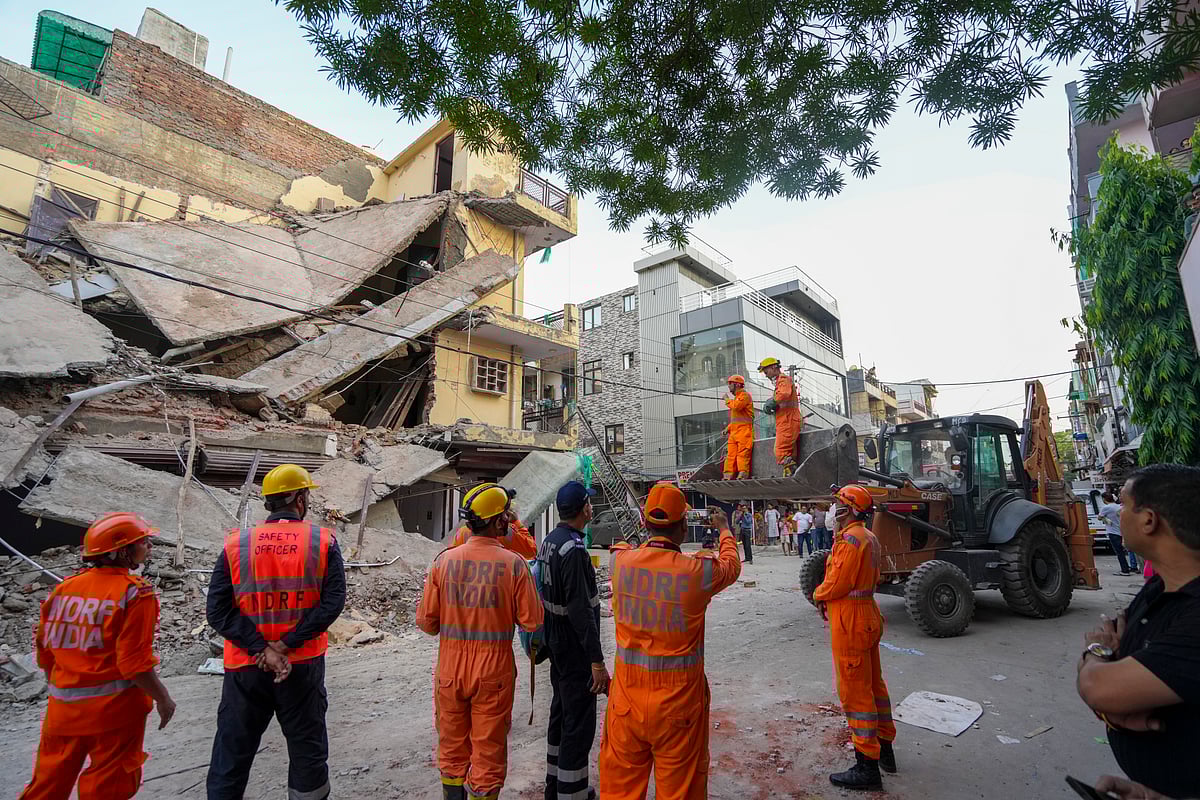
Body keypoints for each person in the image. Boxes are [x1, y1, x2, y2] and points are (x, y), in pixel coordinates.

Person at [206, 463, 345, 800]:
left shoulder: (237, 544)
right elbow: (332, 603)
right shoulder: (321, 541)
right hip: (302, 666)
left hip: (244, 668)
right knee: (307, 753)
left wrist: (259, 648)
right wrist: (283, 645)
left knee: (231, 756)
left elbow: (217, 611)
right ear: (299, 498)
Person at [598, 483, 742, 799]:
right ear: (681, 526)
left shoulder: (619, 563)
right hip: (679, 707)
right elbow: (732, 566)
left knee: (619, 791)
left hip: (626, 704)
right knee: (680, 791)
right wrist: (724, 530)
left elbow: (631, 550)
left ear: (645, 522)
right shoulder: (698, 572)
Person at [19, 512, 175, 800]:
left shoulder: (64, 589)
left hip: (62, 712)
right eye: (143, 542)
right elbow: (135, 663)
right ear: (122, 551)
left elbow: (45, 651)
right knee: (107, 788)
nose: (149, 548)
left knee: (46, 787)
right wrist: (163, 698)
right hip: (113, 716)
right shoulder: (135, 594)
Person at [1075, 464, 1200, 800]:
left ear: (1149, 520)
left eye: (1125, 506)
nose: (1119, 513)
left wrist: (1097, 654)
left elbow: (1096, 683)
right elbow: (1103, 688)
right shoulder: (1157, 588)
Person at [418, 482, 544, 800]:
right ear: (499, 521)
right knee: (487, 752)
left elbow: (427, 623)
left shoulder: (443, 561)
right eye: (506, 516)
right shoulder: (514, 565)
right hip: (493, 670)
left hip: (450, 668)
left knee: (451, 747)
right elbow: (532, 621)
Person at [813, 484, 896, 790]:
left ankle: (867, 767)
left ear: (848, 509)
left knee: (855, 693)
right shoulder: (869, 537)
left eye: (838, 504)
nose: (834, 509)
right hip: (867, 614)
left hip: (851, 620)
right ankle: (886, 749)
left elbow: (837, 582)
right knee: (875, 686)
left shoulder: (851, 539)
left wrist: (817, 594)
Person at [541, 480, 609, 800]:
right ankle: (573, 793)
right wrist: (596, 661)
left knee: (560, 714)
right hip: (575, 649)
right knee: (578, 725)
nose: (591, 507)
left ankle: (554, 785)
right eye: (589, 503)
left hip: (556, 644)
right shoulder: (575, 549)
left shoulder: (550, 542)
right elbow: (581, 612)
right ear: (584, 508)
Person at [449, 487, 537, 558]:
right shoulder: (507, 535)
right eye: (505, 514)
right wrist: (516, 522)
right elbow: (531, 551)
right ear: (498, 522)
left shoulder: (461, 534)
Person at [757, 358, 802, 476]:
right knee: (789, 452)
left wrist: (773, 401)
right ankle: (791, 474)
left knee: (780, 450)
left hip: (788, 420)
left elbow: (784, 394)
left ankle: (792, 474)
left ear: (773, 367)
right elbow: (784, 399)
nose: (766, 376)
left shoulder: (783, 379)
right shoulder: (780, 383)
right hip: (787, 420)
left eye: (766, 372)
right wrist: (775, 406)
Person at [722, 374, 755, 480]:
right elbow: (736, 419)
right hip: (735, 432)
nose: (728, 386)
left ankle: (743, 474)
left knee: (742, 454)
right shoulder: (737, 398)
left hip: (744, 431)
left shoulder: (745, 396)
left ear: (736, 384)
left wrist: (727, 400)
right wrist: (728, 428)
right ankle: (728, 475)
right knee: (730, 455)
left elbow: (737, 407)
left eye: (730, 384)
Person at [1099, 490, 1140, 576]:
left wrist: (1105, 519)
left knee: (1119, 553)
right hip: (1123, 532)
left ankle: (1125, 570)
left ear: (1104, 499)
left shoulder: (1106, 508)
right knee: (1128, 551)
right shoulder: (1120, 507)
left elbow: (1100, 517)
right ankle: (1132, 566)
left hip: (1113, 532)